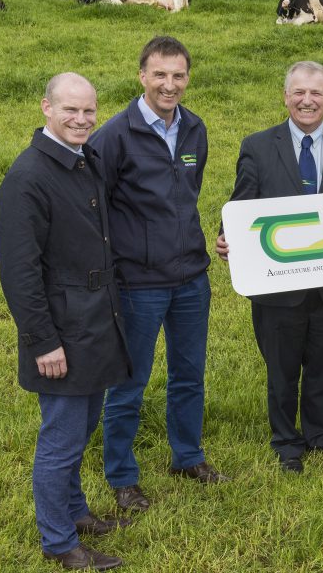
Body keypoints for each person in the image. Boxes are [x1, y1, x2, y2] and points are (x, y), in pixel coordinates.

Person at [0, 73, 133, 571]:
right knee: (61, 438)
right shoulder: (28, 178)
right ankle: (58, 542)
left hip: (93, 323)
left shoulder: (83, 158)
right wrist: (41, 341)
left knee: (83, 426)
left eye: (89, 111)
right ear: (45, 108)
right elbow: (19, 271)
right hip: (62, 331)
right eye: (70, 110)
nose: (81, 120)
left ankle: (75, 513)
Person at [90, 36, 228, 513]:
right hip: (138, 283)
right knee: (130, 380)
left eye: (178, 76)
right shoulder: (114, 135)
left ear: (187, 78)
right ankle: (122, 475)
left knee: (189, 374)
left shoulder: (194, 129)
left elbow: (189, 192)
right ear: (142, 76)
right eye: (160, 75)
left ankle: (187, 457)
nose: (169, 85)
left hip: (192, 275)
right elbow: (97, 209)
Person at [216, 61, 323, 472]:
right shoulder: (258, 145)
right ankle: (287, 444)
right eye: (299, 92)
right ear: (285, 97)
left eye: (316, 93)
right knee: (281, 369)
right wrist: (227, 235)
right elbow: (241, 204)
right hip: (277, 285)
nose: (307, 100)